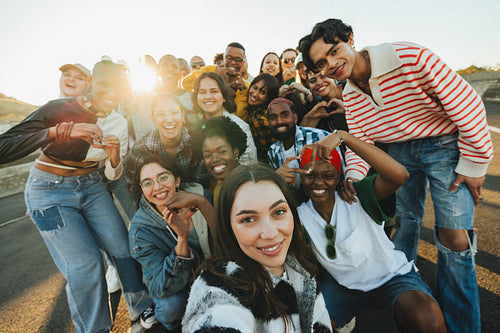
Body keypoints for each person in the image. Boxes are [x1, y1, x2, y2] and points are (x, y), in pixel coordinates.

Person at [299, 18, 493, 332]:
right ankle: (410, 299)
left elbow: (467, 104)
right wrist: (354, 179)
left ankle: (462, 326)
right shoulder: (350, 94)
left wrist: (475, 162)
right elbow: (362, 138)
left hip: (443, 144)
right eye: (322, 63)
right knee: (406, 225)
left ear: (350, 38)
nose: (332, 64)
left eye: (335, 51)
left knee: (454, 239)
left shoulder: (409, 57)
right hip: (398, 151)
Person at [0, 59, 156, 332]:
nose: (112, 93)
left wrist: (115, 157)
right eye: (106, 84)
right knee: (87, 265)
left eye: (119, 88)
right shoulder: (59, 108)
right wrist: (62, 130)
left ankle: (140, 311)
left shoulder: (118, 121)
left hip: (92, 186)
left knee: (123, 247)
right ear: (92, 82)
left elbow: (111, 175)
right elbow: (4, 147)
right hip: (48, 191)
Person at [297, 130, 446, 332]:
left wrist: (344, 136)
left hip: (391, 278)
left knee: (429, 320)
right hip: (344, 287)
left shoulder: (358, 195)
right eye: (309, 175)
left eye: (328, 175)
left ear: (339, 176)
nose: (318, 182)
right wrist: (278, 177)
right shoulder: (298, 214)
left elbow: (400, 175)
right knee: (309, 326)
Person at [182, 163, 332, 332]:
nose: (270, 233)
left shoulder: (299, 267)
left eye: (278, 212)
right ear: (229, 228)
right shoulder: (217, 289)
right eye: (248, 219)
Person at [129, 153, 214, 331]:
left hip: (210, 272)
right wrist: (182, 239)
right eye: (147, 182)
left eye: (163, 177)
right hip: (176, 287)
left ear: (177, 180)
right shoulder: (140, 231)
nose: (157, 187)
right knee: (170, 307)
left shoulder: (201, 196)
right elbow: (158, 287)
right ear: (142, 189)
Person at [125, 92, 210, 199]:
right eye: (161, 114)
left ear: (182, 116)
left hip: (190, 196)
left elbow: (200, 183)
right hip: (155, 199)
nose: (169, 120)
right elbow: (133, 187)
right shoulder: (141, 149)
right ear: (153, 119)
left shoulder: (196, 142)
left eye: (174, 113)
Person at [266, 98, 341, 193]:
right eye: (273, 118)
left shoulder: (319, 137)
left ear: (295, 118)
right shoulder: (273, 151)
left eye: (285, 115)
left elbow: (340, 175)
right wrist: (277, 178)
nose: (279, 121)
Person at [192, 71, 257, 165]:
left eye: (214, 91)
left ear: (224, 97)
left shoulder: (240, 127)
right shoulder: (193, 123)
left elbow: (249, 166)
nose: (208, 97)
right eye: (202, 92)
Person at [182, 42, 250, 121]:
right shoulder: (212, 73)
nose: (233, 62)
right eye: (229, 58)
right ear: (224, 58)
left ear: (243, 62)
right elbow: (185, 83)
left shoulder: (246, 86)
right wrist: (214, 70)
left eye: (238, 60)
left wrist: (243, 92)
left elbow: (241, 118)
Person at [200, 116, 247, 206]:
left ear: (235, 152)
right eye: (207, 155)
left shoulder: (248, 185)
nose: (215, 159)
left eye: (222, 151)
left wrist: (200, 201)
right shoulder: (218, 188)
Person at [246, 73, 280, 162]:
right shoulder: (267, 112)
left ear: (269, 97)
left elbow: (268, 153)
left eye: (262, 92)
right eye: (255, 87)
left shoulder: (259, 119)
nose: (255, 94)